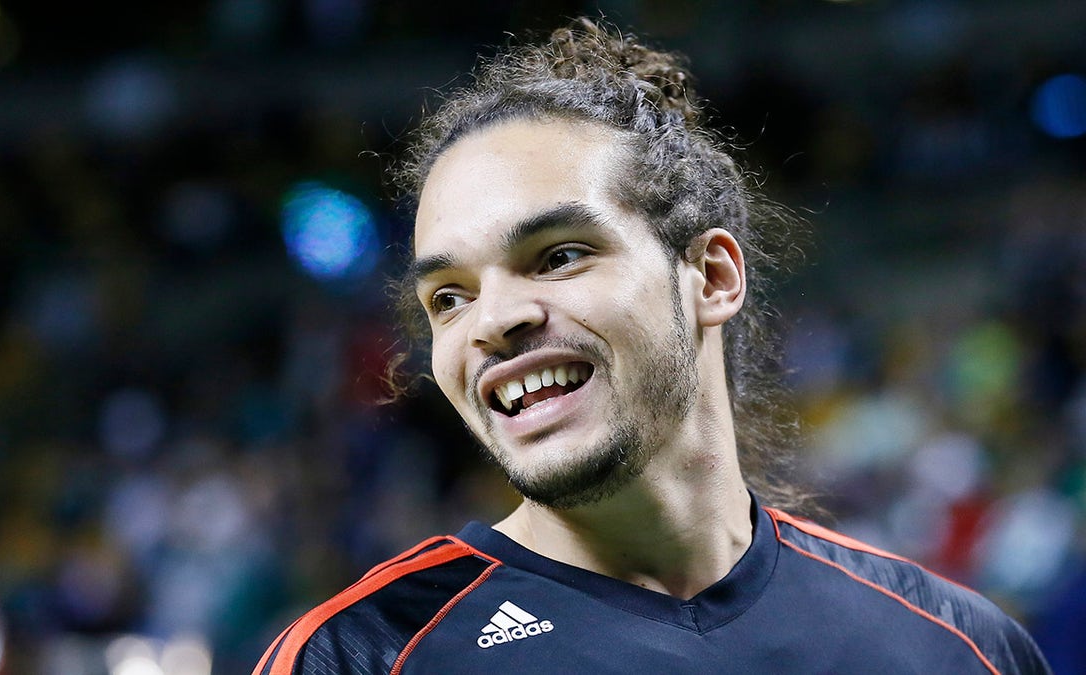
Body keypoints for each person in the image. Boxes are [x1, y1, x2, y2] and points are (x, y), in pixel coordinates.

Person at [253, 18, 1050, 674]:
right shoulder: (358, 655)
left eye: (559, 255)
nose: (491, 321)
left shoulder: (959, 647)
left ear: (710, 274)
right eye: (449, 297)